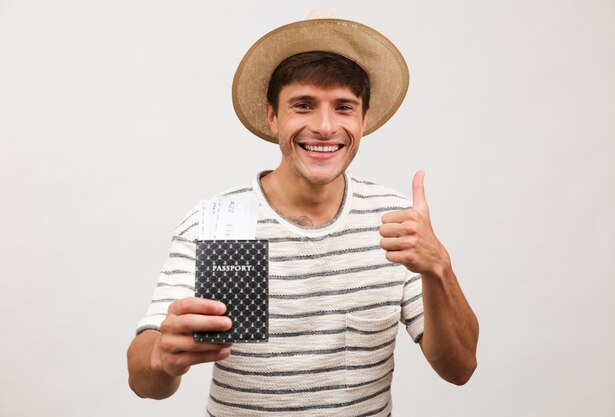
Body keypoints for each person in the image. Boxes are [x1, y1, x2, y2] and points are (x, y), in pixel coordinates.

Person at [127, 11, 478, 416]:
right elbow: (143, 380)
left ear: (364, 119)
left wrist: (440, 268)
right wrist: (161, 357)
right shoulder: (218, 222)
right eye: (304, 105)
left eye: (344, 107)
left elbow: (460, 369)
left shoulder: (396, 221)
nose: (325, 126)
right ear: (273, 116)